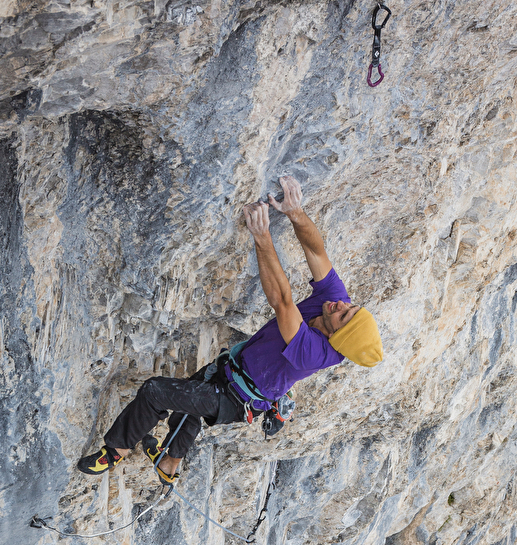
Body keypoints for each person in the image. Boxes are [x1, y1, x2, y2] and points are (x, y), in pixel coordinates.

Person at [77, 176, 384, 484]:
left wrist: (262, 235)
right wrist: (295, 212)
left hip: (237, 399)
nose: (339, 306)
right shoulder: (337, 305)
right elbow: (317, 253)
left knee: (156, 392)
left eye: (344, 316)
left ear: (337, 337)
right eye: (350, 307)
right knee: (189, 407)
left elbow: (282, 301)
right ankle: (169, 466)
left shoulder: (314, 354)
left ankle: (115, 451)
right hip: (233, 367)